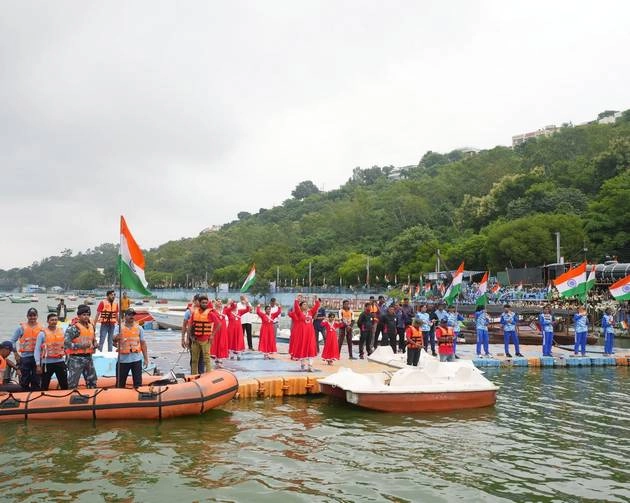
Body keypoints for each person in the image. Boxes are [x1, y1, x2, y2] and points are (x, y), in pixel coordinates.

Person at [113, 308, 149, 387]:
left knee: (138, 383)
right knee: (120, 383)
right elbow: (113, 341)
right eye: (129, 315)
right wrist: (116, 337)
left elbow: (143, 344)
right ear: (125, 316)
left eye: (133, 315)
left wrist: (146, 359)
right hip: (122, 360)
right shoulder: (118, 328)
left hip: (136, 359)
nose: (131, 316)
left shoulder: (139, 328)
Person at [65, 304, 98, 388]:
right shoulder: (73, 328)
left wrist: (95, 344)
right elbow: (66, 344)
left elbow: (93, 339)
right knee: (73, 382)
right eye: (84, 315)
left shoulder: (91, 327)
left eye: (88, 315)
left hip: (88, 358)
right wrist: (80, 346)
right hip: (76, 358)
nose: (86, 317)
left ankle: (92, 396)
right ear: (79, 316)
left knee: (92, 380)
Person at [10, 307, 43, 390]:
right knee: (24, 379)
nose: (32, 317)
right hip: (25, 357)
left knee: (36, 379)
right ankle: (23, 395)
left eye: (34, 315)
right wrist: (15, 353)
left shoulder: (42, 328)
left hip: (38, 358)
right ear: (27, 316)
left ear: (37, 316)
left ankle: (35, 395)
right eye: (30, 315)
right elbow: (12, 341)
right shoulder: (21, 328)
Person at [34, 313, 68, 390]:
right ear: (48, 321)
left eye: (56, 320)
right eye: (52, 320)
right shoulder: (42, 334)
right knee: (44, 384)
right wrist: (38, 365)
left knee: (64, 384)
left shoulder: (62, 331)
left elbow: (66, 346)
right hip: (47, 363)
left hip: (60, 361)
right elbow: (37, 349)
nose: (54, 321)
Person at [188, 295, 221, 373]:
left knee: (206, 359)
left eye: (206, 303)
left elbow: (219, 324)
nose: (205, 304)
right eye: (203, 303)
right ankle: (193, 376)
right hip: (195, 339)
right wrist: (189, 337)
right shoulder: (194, 313)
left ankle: (208, 375)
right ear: (199, 303)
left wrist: (212, 335)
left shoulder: (210, 313)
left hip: (205, 340)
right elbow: (189, 325)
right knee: (194, 360)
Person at [291, 294, 321, 371]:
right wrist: (297, 299)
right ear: (300, 306)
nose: (305, 306)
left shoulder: (310, 313)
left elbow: (316, 306)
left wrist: (316, 299)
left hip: (310, 334)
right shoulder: (299, 313)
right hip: (302, 334)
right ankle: (302, 364)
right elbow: (296, 307)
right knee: (303, 348)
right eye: (304, 304)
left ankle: (310, 366)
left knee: (311, 348)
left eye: (306, 304)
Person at [182, 295, 204, 373]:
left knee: (202, 358)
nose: (201, 303)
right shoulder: (189, 312)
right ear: (194, 301)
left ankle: (201, 375)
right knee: (194, 358)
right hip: (193, 339)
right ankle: (194, 375)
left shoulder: (204, 310)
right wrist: (184, 339)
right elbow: (185, 326)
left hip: (203, 338)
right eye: (199, 301)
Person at [210, 299, 229, 368]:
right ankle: (214, 358)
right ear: (216, 303)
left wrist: (229, 302)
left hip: (223, 330)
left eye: (221, 302)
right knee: (215, 343)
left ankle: (220, 361)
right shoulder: (213, 310)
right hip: (216, 329)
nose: (220, 303)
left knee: (221, 344)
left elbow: (232, 307)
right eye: (218, 302)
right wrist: (213, 303)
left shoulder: (224, 310)